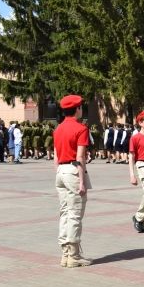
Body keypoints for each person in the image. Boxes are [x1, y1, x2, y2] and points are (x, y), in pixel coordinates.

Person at [53, 95, 91, 268]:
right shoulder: (81, 128)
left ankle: (65, 254)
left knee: (65, 213)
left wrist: (59, 172)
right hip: (73, 170)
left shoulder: (58, 128)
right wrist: (81, 181)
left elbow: (55, 155)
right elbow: (80, 156)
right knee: (75, 214)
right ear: (77, 109)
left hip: (61, 170)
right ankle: (74, 256)